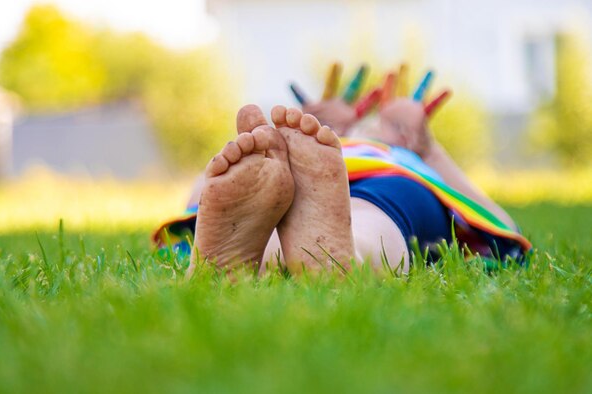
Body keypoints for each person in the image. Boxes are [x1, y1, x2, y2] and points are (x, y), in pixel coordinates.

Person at [153, 64, 531, 274]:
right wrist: (323, 131)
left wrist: (427, 151)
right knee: (367, 216)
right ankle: (325, 257)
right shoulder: (306, 152)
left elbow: (501, 225)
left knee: (368, 212)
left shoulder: (401, 154)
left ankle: (258, 259)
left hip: (387, 177)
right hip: (291, 184)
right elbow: (506, 228)